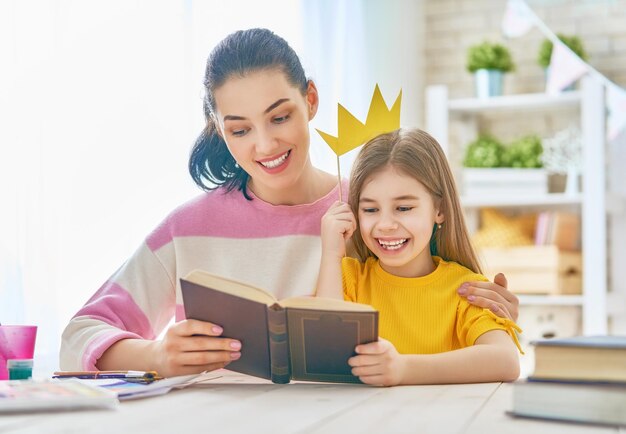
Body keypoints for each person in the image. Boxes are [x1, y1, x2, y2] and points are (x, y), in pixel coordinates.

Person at [60, 28, 518, 377]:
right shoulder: (188, 228)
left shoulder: (368, 210)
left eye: (279, 117)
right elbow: (79, 335)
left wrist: (497, 314)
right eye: (239, 129)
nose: (264, 144)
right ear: (220, 129)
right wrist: (157, 353)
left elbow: (438, 293)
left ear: (310, 100)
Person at [316, 128, 522, 386]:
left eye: (403, 208)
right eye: (370, 209)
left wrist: (402, 369)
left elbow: (505, 360)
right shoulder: (349, 278)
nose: (385, 224)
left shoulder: (466, 289)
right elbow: (321, 352)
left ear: (440, 210)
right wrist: (331, 252)